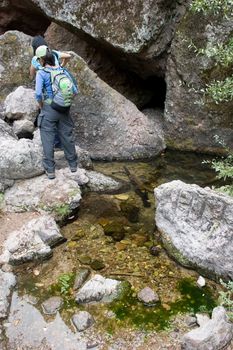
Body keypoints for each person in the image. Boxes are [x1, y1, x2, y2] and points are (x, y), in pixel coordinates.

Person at [35, 45, 78, 179]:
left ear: (41, 59)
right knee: (67, 136)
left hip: (49, 109)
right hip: (64, 108)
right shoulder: (62, 70)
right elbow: (75, 91)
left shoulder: (41, 72)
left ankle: (51, 170)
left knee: (48, 138)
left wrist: (43, 106)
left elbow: (37, 94)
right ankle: (73, 165)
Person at [30, 35, 71, 148]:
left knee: (48, 121)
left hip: (49, 96)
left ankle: (54, 144)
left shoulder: (36, 59)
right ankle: (62, 144)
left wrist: (35, 76)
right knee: (62, 120)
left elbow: (31, 73)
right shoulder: (54, 54)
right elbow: (68, 56)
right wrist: (61, 66)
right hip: (60, 92)